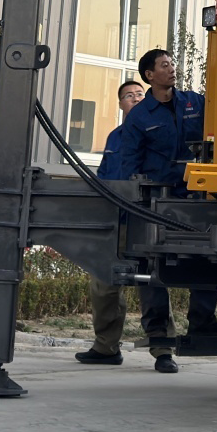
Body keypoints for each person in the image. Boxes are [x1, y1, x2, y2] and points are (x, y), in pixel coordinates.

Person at [112, 48, 217, 373]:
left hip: (198, 197)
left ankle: (202, 321)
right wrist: (133, 202)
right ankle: (161, 343)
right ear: (150, 75)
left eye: (172, 63)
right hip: (157, 202)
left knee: (208, 256)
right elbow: (129, 163)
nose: (172, 68)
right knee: (154, 270)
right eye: (164, 65)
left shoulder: (193, 103)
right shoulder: (140, 117)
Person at [75, 78, 143, 367]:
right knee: (103, 285)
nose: (135, 99)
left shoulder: (158, 133)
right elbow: (103, 176)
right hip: (114, 221)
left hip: (146, 221)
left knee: (153, 286)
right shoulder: (115, 138)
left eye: (140, 94)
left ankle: (163, 349)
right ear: (120, 104)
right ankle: (106, 347)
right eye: (129, 96)